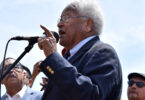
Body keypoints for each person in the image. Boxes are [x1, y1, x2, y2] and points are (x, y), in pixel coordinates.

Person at [38, 0, 122, 100]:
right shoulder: (67, 58)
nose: (59, 24)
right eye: (59, 19)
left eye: (66, 18)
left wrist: (53, 57)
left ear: (87, 25)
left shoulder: (104, 52)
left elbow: (91, 96)